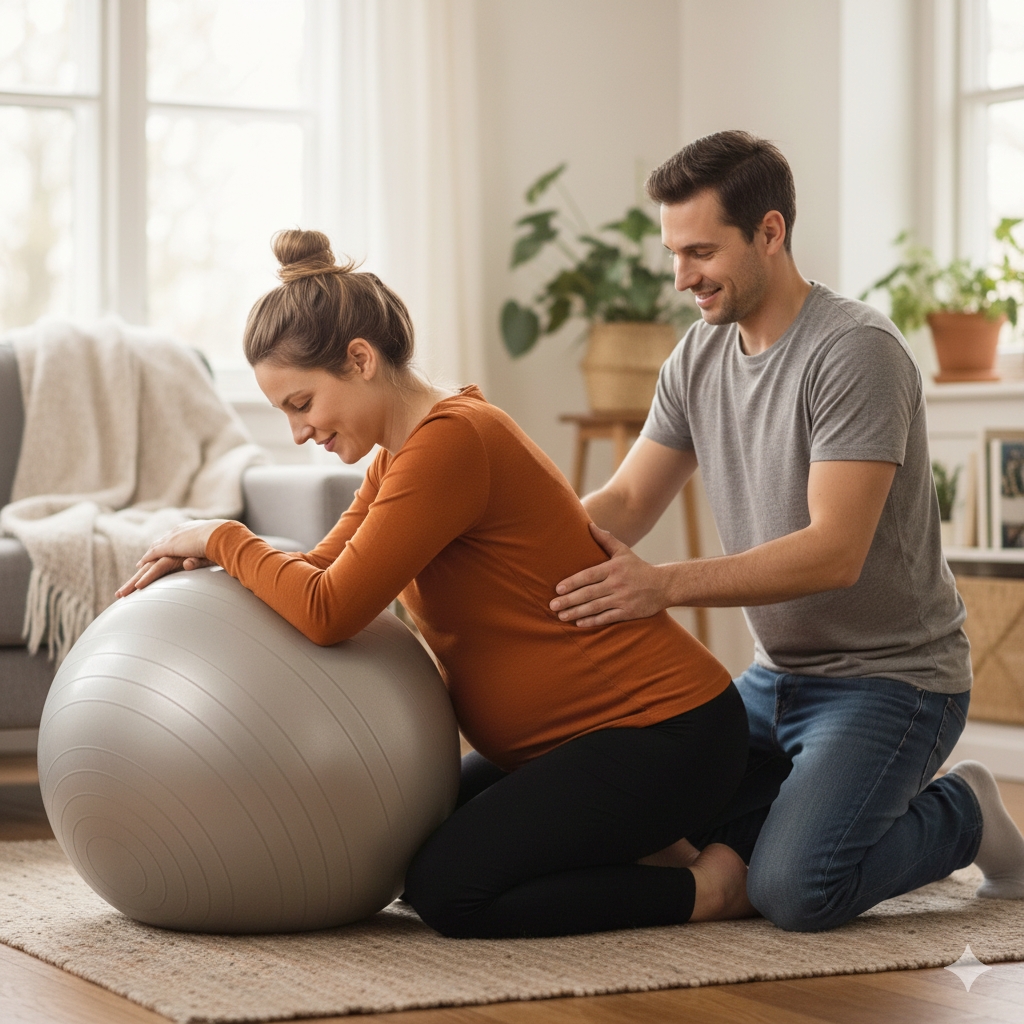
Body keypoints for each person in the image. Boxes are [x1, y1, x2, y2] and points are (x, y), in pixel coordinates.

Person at [117, 228, 754, 939]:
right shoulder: (402, 457)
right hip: (572, 747)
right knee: (402, 855)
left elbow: (329, 611)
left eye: (301, 404)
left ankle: (707, 891)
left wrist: (222, 535)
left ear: (359, 359)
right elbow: (321, 571)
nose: (298, 432)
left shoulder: (451, 444)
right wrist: (221, 563)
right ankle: (646, 841)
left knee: (452, 891)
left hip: (662, 734)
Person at [548, 130, 1024, 931]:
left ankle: (964, 811)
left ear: (770, 232)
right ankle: (805, 810)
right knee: (638, 825)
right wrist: (512, 551)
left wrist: (662, 584)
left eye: (700, 251)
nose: (680, 277)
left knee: (796, 891)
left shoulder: (854, 351)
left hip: (892, 682)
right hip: (775, 681)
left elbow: (834, 550)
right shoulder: (696, 358)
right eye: (673, 252)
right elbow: (627, 502)